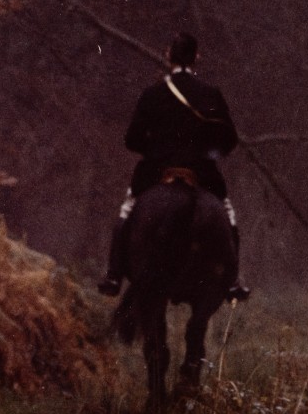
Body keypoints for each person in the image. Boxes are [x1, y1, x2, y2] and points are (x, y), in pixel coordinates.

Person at [97, 32, 248, 301]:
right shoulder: (211, 94)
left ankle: (113, 276)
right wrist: (208, 154)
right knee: (228, 217)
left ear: (169, 55)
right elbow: (229, 140)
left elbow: (132, 139)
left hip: (156, 171)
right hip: (201, 174)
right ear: (196, 57)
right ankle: (233, 281)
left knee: (125, 214)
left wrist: (156, 152)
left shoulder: (153, 93)